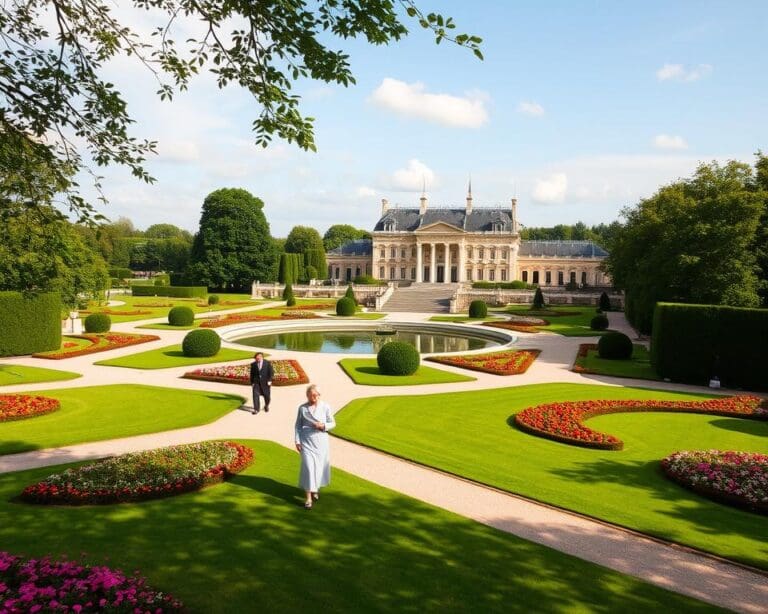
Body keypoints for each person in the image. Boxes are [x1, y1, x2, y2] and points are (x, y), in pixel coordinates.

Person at [294, 384, 335, 509]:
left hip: (321, 442)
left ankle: (315, 489)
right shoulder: (302, 408)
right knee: (308, 468)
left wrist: (323, 426)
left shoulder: (325, 407)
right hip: (306, 442)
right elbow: (298, 426)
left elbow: (333, 423)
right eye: (311, 395)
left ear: (319, 395)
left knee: (318, 468)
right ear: (307, 395)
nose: (314, 398)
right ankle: (308, 498)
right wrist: (297, 441)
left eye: (316, 395)